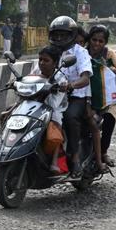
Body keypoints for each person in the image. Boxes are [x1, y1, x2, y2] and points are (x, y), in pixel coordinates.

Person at [47, 16, 93, 180]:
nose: (59, 38)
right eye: (56, 35)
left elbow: (85, 78)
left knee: (69, 117)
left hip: (75, 96)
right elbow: (37, 69)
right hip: (52, 94)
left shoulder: (80, 52)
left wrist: (71, 85)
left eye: (63, 35)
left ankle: (75, 158)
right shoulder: (50, 51)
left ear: (72, 35)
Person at [86, 24, 116, 168]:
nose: (97, 44)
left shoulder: (108, 54)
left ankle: (103, 152)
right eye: (94, 40)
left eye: (101, 41)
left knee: (110, 118)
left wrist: (108, 68)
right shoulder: (82, 52)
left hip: (104, 98)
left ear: (105, 42)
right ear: (89, 39)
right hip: (84, 95)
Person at [30, 45, 69, 175]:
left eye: (46, 60)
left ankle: (54, 161)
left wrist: (50, 89)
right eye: (40, 59)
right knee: (8, 114)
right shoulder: (37, 70)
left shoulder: (60, 78)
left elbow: (53, 104)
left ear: (55, 63)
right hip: (34, 103)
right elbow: (28, 81)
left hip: (53, 108)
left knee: (55, 124)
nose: (42, 63)